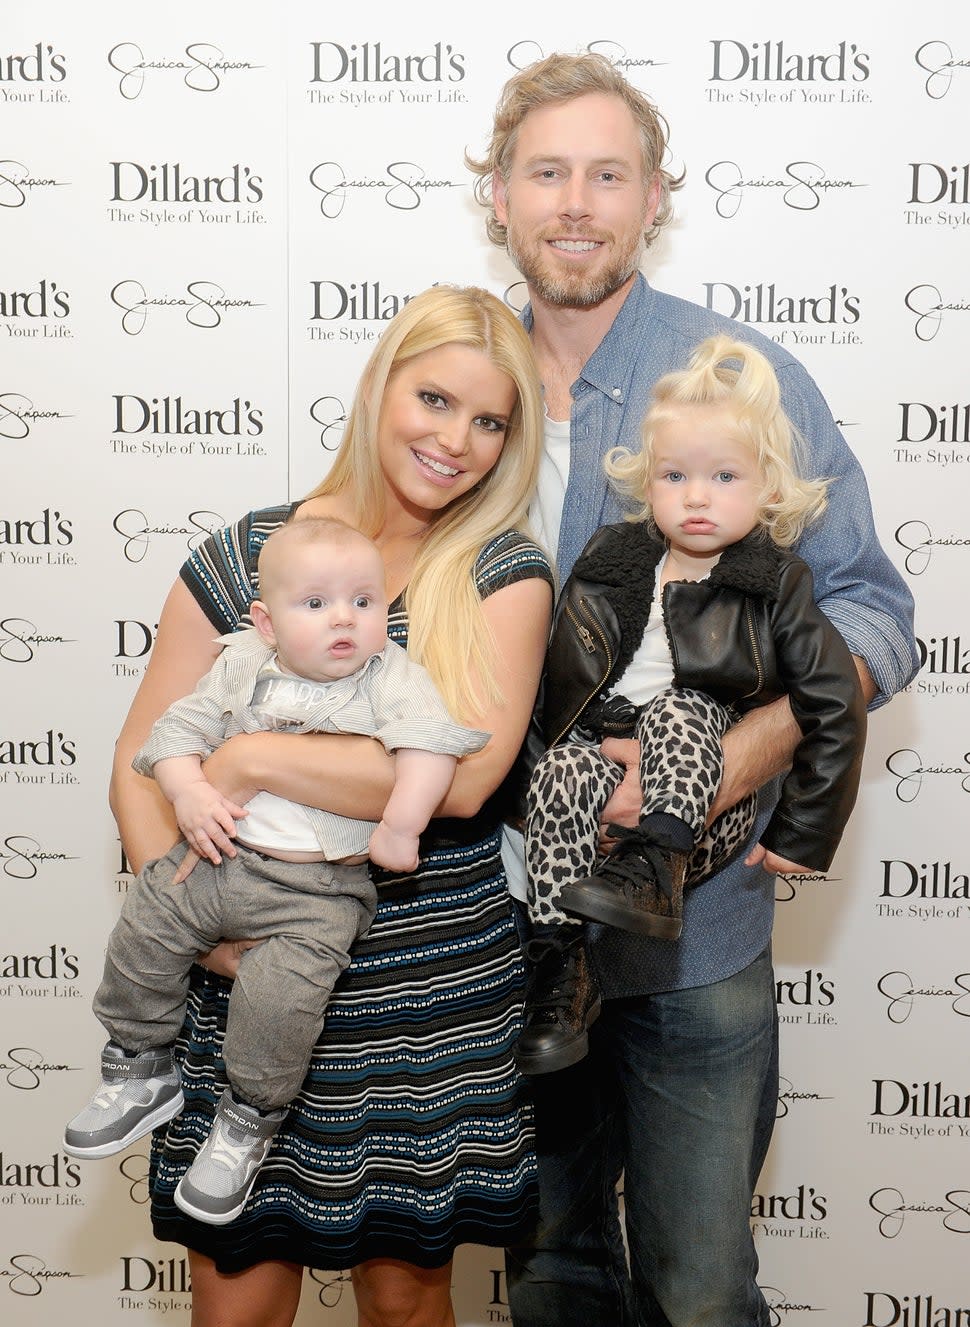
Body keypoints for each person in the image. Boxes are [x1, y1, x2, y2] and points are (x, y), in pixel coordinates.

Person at [466, 52, 918, 1327]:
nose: (574, 202)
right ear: (496, 194)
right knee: (550, 1278)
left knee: (701, 1290)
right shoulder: (452, 385)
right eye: (546, 172)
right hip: (507, 921)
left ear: (653, 197)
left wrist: (743, 752)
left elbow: (877, 610)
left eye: (607, 174)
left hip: (698, 925)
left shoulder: (739, 382)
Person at [107, 284, 554, 1326]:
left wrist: (254, 757)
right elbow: (138, 751)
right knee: (234, 1308)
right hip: (241, 976)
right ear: (377, 386)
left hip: (417, 996)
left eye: (490, 421)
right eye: (435, 399)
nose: (456, 441)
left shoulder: (498, 568)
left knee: (404, 1304)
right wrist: (183, 913)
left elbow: (471, 774)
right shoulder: (246, 557)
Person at [65, 516, 491, 1228]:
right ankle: (139, 1064)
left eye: (363, 600)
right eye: (316, 604)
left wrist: (400, 823)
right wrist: (190, 790)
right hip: (218, 859)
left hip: (317, 891)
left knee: (278, 1001)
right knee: (143, 929)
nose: (345, 621)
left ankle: (247, 1119)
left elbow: (430, 749)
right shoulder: (238, 663)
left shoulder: (391, 677)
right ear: (266, 620)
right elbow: (172, 734)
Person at [514, 334, 866, 1076]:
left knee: (682, 708)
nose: (697, 495)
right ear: (649, 482)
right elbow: (560, 681)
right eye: (675, 475)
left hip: (705, 800)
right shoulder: (613, 560)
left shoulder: (775, 581)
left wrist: (807, 829)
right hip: (612, 772)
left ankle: (657, 870)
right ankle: (560, 970)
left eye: (724, 475)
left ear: (768, 487)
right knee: (560, 775)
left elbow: (834, 700)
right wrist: (556, 766)